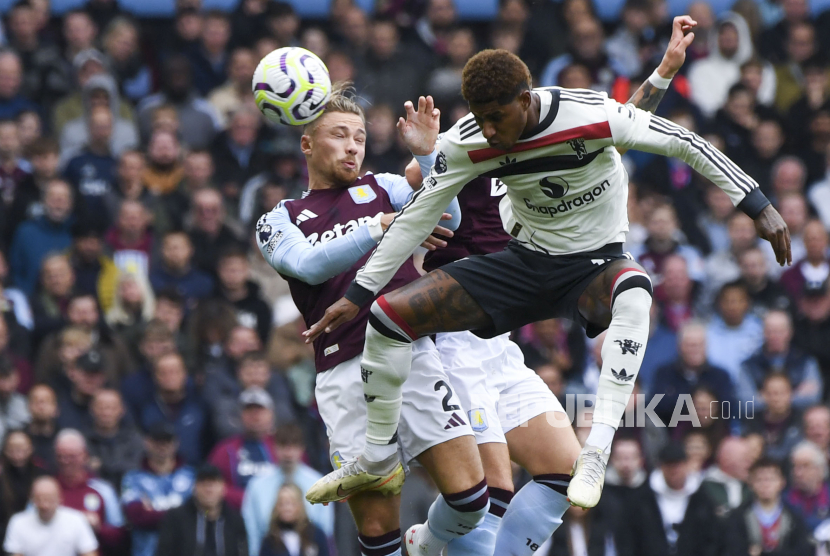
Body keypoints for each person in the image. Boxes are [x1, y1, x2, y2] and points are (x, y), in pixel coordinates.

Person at [306, 25, 790, 515]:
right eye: (481, 119)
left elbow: (677, 139)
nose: (491, 132)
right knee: (387, 317)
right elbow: (417, 216)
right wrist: (360, 294)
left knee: (636, 291)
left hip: (592, 266)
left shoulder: (585, 115)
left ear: (525, 99)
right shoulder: (469, 142)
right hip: (523, 264)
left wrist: (758, 203)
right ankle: (376, 456)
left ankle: (597, 451)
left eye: (497, 118)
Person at [255, 83, 493, 556]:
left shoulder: (383, 187)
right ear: (306, 143)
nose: (352, 146)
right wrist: (378, 226)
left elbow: (446, 215)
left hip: (412, 356)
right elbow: (307, 265)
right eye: (339, 135)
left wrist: (427, 159)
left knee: (471, 500)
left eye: (360, 137)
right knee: (377, 533)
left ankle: (424, 541)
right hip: (344, 373)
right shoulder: (279, 218)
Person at [242, 424, 332, 556]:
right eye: (283, 445)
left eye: (294, 446)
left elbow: (326, 531)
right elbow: (252, 534)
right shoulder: (256, 485)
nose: (288, 453)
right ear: (274, 448)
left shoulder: (320, 484)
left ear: (302, 449)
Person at [120, 422, 195, 556]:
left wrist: (154, 512)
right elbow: (137, 516)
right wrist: (184, 514)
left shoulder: (192, 477)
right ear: (147, 442)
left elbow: (206, 513)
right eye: (157, 441)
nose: (162, 446)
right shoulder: (132, 479)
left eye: (167, 441)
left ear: (176, 443)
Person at [53, 429, 126, 556]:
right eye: (61, 456)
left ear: (84, 456)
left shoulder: (103, 490)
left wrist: (99, 528)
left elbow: (120, 536)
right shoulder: (47, 489)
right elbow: (28, 528)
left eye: (71, 456)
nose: (65, 461)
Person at [207, 387, 278, 509]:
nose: (255, 416)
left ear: (271, 414)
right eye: (249, 410)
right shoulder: (225, 450)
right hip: (235, 518)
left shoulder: (284, 446)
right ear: (240, 416)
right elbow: (211, 486)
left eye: (260, 410)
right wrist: (249, 500)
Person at [724, 458, 812, 556]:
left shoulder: (794, 517)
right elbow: (734, 549)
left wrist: (761, 553)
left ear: (782, 482)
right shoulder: (738, 516)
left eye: (771, 479)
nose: (765, 485)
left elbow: (802, 551)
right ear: (751, 483)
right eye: (759, 480)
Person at [156, 464, 248, 556]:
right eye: (203, 484)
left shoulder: (235, 520)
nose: (208, 490)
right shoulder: (176, 518)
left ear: (223, 488)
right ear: (195, 488)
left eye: (213, 484)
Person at [3, 476, 98, 556]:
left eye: (49, 499)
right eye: (39, 499)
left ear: (60, 498)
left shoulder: (76, 519)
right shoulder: (18, 522)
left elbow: (89, 551)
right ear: (31, 499)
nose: (45, 505)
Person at [85, 389, 144, 491]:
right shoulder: (82, 440)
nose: (106, 412)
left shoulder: (134, 439)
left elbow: (136, 468)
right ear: (92, 409)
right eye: (101, 407)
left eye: (111, 408)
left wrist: (103, 466)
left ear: (122, 410)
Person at [259, 483, 330, 556]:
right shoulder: (270, 541)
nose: (287, 508)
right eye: (282, 504)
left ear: (300, 505)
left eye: (291, 503)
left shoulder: (315, 535)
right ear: (276, 507)